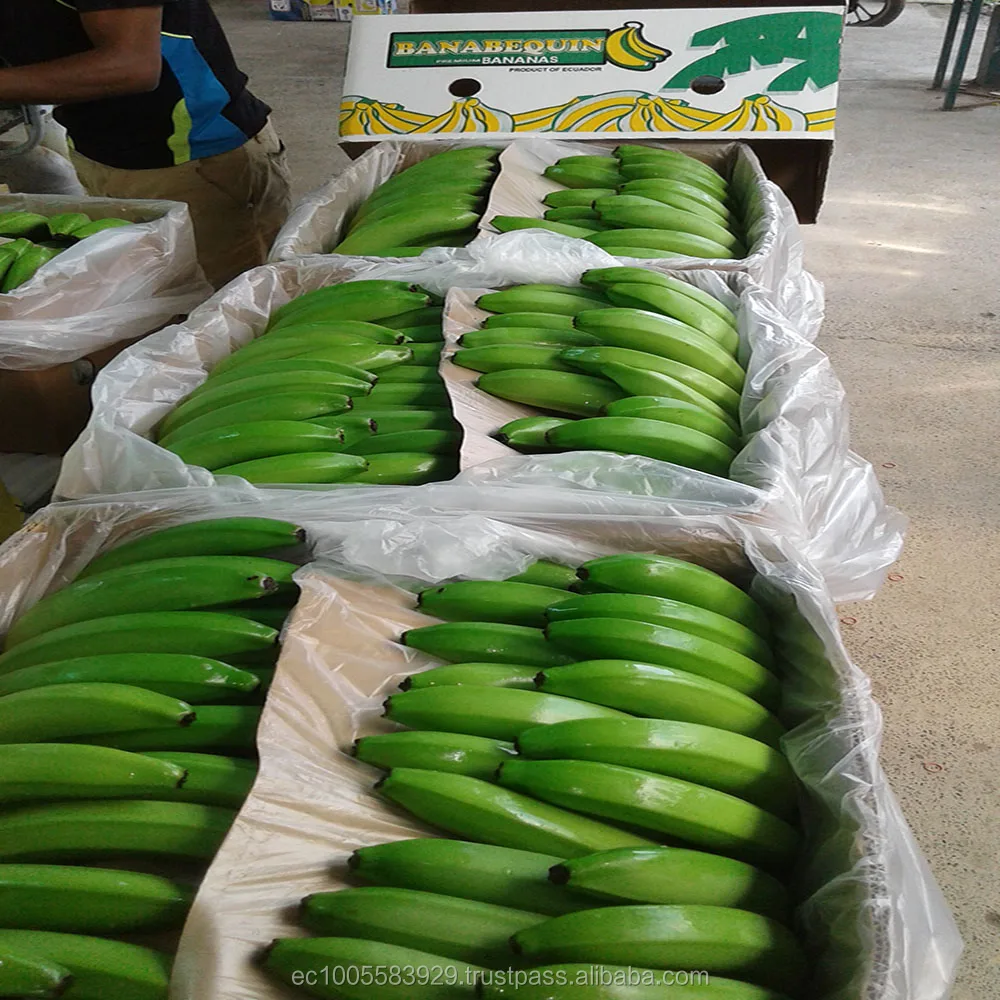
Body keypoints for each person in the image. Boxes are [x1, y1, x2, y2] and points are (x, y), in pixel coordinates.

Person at [0, 1, 292, 287]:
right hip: (99, 145)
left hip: (193, 160)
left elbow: (132, 65)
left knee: (231, 307)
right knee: (152, 296)